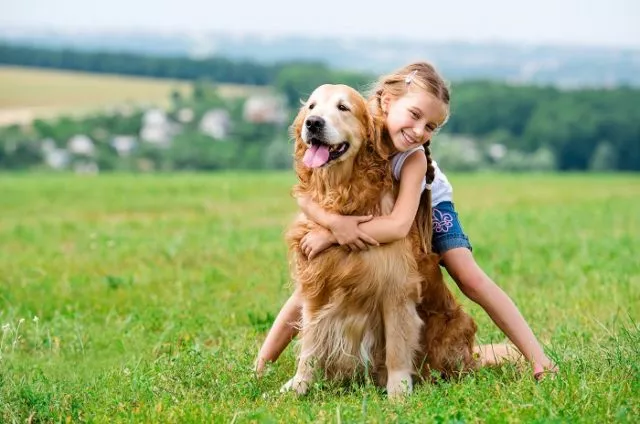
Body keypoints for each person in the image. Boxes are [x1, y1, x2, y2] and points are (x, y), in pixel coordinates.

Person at [256, 62, 557, 381]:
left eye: (430, 126)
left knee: (468, 276)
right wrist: (332, 222)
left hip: (426, 204)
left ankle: (540, 361)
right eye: (414, 115)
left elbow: (399, 225)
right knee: (315, 279)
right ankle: (262, 364)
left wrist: (334, 234)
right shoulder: (350, 122)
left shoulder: (413, 158)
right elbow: (304, 193)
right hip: (365, 206)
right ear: (386, 101)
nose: (419, 131)